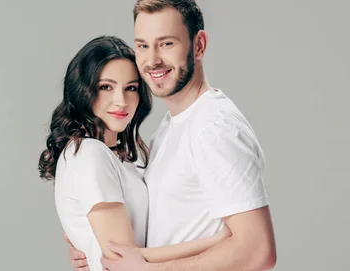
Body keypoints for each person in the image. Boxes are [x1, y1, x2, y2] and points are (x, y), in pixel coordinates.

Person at [65, 1, 277, 271]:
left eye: (166, 44)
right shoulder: (171, 125)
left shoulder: (213, 128)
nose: (152, 60)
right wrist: (90, 243)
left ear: (198, 45)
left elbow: (258, 251)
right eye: (143, 45)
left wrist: (146, 269)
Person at [38, 35, 232, 271]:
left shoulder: (131, 155)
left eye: (131, 88)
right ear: (82, 89)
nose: (121, 101)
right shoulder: (89, 153)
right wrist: (218, 241)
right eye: (106, 87)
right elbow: (122, 261)